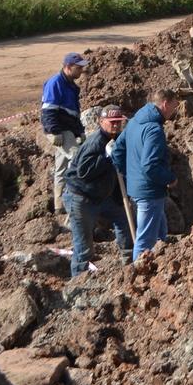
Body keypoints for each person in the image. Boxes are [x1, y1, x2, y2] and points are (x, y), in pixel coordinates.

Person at [63, 105, 133, 276]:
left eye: (118, 122)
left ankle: (130, 264)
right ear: (102, 122)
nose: (116, 125)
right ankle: (77, 283)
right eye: (112, 122)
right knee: (84, 246)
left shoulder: (115, 140)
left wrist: (120, 198)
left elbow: (116, 172)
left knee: (123, 218)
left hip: (101, 195)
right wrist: (106, 156)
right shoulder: (95, 142)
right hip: (81, 197)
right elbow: (84, 172)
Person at [111, 89, 178, 261]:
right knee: (145, 241)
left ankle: (157, 268)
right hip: (149, 192)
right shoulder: (154, 130)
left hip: (139, 189)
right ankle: (136, 275)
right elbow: (149, 166)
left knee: (160, 235)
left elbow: (117, 150)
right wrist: (169, 178)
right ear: (165, 104)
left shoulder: (134, 122)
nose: (175, 108)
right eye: (174, 105)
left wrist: (129, 175)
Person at [41, 52, 88, 214]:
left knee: (62, 167)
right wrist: (54, 132)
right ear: (68, 67)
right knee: (78, 159)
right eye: (79, 67)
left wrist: (80, 132)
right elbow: (48, 111)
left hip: (68, 129)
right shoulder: (56, 83)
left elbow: (73, 113)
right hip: (59, 130)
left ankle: (59, 205)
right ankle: (77, 202)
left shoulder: (71, 85)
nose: (82, 70)